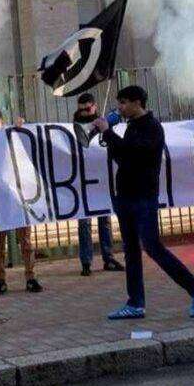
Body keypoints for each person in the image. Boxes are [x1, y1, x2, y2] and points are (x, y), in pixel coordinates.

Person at [93, 84, 194, 320]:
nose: (120, 108)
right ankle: (135, 302)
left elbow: (133, 156)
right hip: (126, 196)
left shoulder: (152, 128)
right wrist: (108, 136)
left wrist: (108, 133)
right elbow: (122, 157)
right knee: (131, 250)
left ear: (137, 103)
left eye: (123, 103)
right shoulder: (132, 126)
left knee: (152, 246)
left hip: (143, 197)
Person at [0, 108, 43, 296]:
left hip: (18, 195)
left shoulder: (12, 133)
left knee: (25, 240)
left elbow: (31, 133)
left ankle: (30, 277)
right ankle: (0, 280)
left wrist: (22, 125)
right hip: (0, 198)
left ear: (1, 123)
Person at [73, 92, 124, 276]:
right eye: (81, 110)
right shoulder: (74, 127)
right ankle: (86, 262)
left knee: (105, 220)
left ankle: (108, 258)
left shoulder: (103, 123)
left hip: (102, 179)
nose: (84, 113)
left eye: (87, 109)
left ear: (94, 106)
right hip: (84, 181)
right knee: (84, 223)